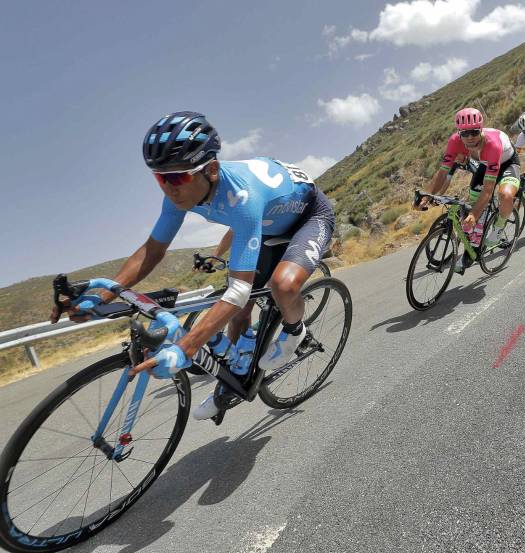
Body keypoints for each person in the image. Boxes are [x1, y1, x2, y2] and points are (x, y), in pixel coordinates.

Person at [56, 111, 335, 421]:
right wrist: (102, 297)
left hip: (310, 216)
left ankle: (295, 331)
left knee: (282, 286)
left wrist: (186, 346)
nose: (168, 188)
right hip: (269, 225)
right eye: (160, 178)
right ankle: (232, 379)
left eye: (177, 177)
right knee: (238, 312)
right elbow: (152, 250)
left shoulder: (242, 197)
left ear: (211, 170)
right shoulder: (178, 197)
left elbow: (239, 290)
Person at [418, 108, 522, 273]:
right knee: (472, 215)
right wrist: (427, 195)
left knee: (505, 195)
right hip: (486, 164)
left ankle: (499, 227)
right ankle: (470, 252)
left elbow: (488, 190)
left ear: (481, 129)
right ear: (458, 133)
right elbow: (443, 172)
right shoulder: (454, 141)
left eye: (474, 132)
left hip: (507, 163)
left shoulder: (492, 144)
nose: (470, 138)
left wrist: (474, 214)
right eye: (465, 134)